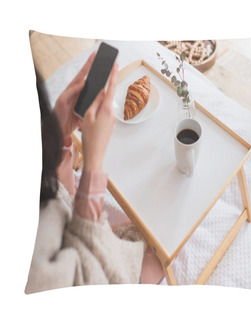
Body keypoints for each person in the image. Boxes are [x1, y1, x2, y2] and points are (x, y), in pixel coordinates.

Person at [26, 51, 163, 294]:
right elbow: (94, 281)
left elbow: (57, 195)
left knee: (141, 230)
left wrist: (56, 135)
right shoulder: (36, 269)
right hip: (88, 269)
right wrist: (94, 162)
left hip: (71, 230)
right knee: (157, 254)